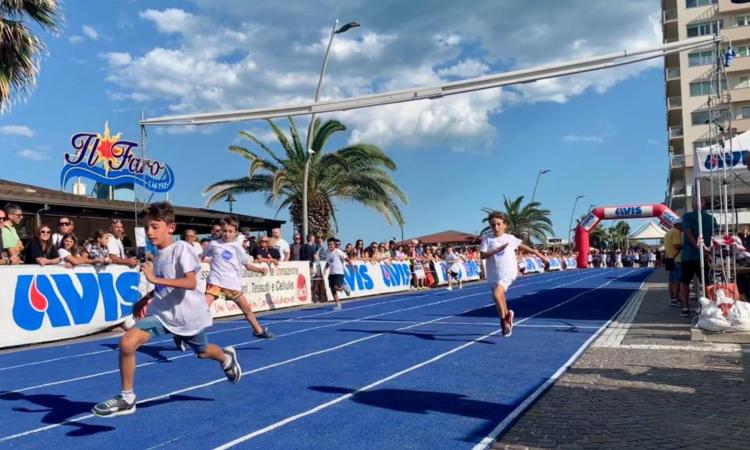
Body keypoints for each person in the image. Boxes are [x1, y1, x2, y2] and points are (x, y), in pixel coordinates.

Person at [92, 202, 241, 417]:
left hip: (187, 316)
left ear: (170, 227)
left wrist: (154, 278)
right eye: (146, 228)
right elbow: (163, 283)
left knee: (202, 352)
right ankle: (127, 397)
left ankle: (226, 357)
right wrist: (146, 297)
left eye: (154, 227)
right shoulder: (157, 255)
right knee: (127, 342)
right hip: (161, 314)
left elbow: (190, 282)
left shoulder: (183, 248)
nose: (149, 232)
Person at [196, 215, 273, 345]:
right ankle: (187, 335)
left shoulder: (238, 248)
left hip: (231, 283)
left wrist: (260, 270)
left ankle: (258, 330)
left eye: (230, 231)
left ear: (235, 232)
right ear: (220, 230)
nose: (226, 234)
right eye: (224, 231)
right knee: (203, 308)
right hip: (215, 281)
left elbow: (247, 265)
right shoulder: (214, 244)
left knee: (247, 309)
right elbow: (202, 257)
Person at [480, 211, 548, 337]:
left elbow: (523, 246)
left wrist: (539, 255)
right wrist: (496, 250)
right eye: (493, 225)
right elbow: (482, 255)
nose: (496, 227)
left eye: (498, 224)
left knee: (496, 294)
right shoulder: (487, 239)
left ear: (504, 225)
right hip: (493, 273)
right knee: (500, 298)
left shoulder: (509, 238)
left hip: (508, 271)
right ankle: (508, 316)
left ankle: (504, 323)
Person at [679, 198, 717, 317]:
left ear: (692, 205)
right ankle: (708, 306)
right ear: (704, 205)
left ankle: (685, 308)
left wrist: (698, 248)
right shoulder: (711, 218)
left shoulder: (687, 216)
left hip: (689, 256)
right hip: (705, 255)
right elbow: (714, 237)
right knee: (706, 282)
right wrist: (707, 251)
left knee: (685, 282)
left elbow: (688, 234)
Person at [323, 236, 351, 311]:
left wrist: (351, 264)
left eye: (331, 244)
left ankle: (344, 288)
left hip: (339, 272)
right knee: (332, 289)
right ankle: (338, 304)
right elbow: (328, 262)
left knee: (335, 287)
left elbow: (346, 258)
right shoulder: (327, 252)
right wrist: (325, 269)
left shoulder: (338, 251)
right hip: (331, 273)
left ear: (334, 245)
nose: (330, 246)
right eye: (328, 244)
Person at [663, 219, 683, 307]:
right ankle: (675, 299)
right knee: (676, 281)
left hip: (670, 259)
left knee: (671, 281)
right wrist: (684, 246)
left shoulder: (668, 233)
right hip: (677, 260)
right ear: (678, 225)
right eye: (682, 225)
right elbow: (676, 245)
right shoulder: (676, 232)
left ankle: (672, 298)